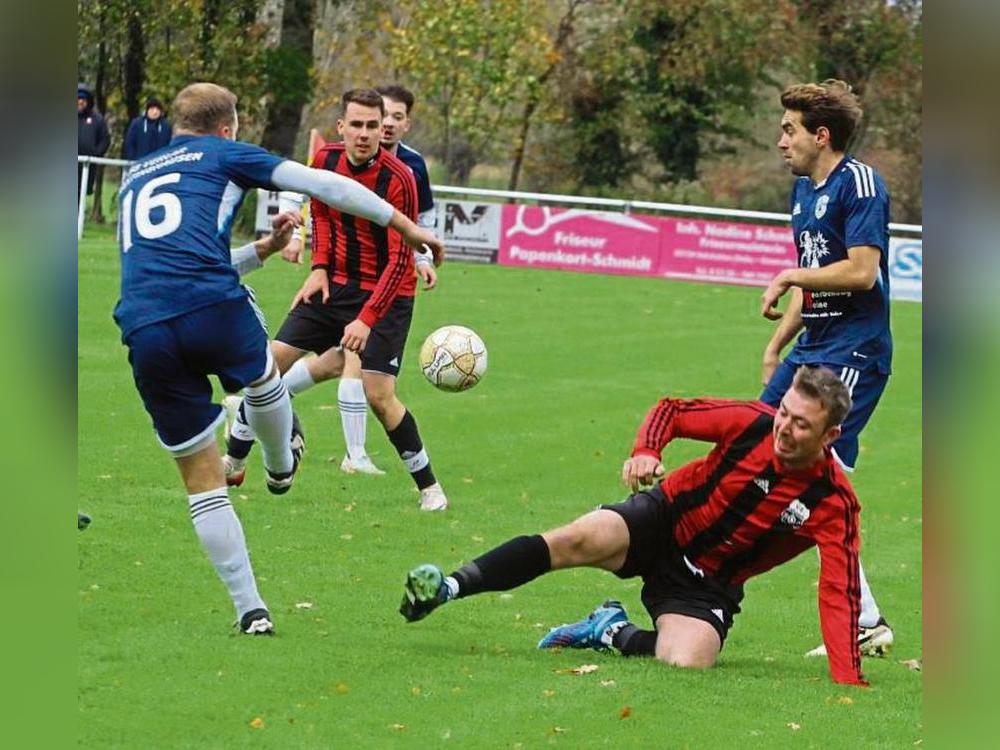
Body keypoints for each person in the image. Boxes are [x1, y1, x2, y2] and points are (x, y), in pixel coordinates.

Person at [114, 82, 443, 635]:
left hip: (143, 325)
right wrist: (409, 229)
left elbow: (182, 267)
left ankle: (251, 611)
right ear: (228, 127)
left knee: (203, 480)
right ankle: (280, 463)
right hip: (214, 307)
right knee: (265, 379)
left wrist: (265, 250)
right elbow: (323, 185)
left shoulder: (134, 174)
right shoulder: (225, 152)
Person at [400, 366, 868, 686]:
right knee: (576, 538)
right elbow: (672, 410)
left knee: (688, 662)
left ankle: (608, 630)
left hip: (708, 582)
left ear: (830, 436)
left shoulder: (834, 502)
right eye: (784, 412)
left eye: (801, 424)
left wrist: (847, 680)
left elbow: (839, 588)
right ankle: (449, 587)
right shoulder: (752, 423)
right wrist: (648, 449)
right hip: (661, 521)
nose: (784, 428)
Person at [223, 88, 449, 511]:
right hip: (333, 285)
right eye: (356, 125)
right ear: (341, 127)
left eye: (372, 126)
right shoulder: (324, 161)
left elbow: (402, 258)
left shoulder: (400, 178)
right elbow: (321, 213)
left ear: (383, 129)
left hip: (386, 292)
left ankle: (430, 488)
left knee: (379, 395)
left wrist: (366, 318)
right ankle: (233, 461)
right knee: (265, 365)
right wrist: (320, 267)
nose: (364, 134)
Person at [759, 79, 894, 657]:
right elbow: (815, 272)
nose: (780, 139)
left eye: (789, 129)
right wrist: (779, 343)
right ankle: (708, 573)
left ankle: (864, 619)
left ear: (821, 135)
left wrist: (791, 278)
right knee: (755, 448)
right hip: (813, 348)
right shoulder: (802, 193)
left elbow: (861, 272)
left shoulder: (859, 183)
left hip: (855, 350)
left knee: (817, 478)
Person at [331, 83, 437, 475]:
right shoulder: (333, 157)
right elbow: (315, 204)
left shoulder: (409, 170)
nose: (382, 126)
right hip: (348, 277)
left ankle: (260, 403)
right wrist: (316, 262)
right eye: (379, 118)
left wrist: (422, 257)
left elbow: (420, 221)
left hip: (390, 281)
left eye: (393, 118)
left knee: (343, 365)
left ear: (404, 124)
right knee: (344, 363)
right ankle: (352, 453)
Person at [77, 83, 110, 201]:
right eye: (78, 98)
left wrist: (95, 153)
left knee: (79, 199)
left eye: (83, 99)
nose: (80, 102)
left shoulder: (97, 119)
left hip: (86, 167)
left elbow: (105, 139)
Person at [123, 96, 173, 160]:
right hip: (140, 164)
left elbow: (170, 145)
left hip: (160, 164)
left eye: (157, 109)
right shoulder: (137, 124)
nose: (155, 112)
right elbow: (129, 143)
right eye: (152, 109)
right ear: (147, 110)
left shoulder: (166, 126)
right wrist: (133, 160)